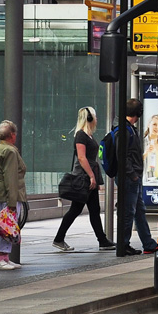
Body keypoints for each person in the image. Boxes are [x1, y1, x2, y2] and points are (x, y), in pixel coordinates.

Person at [52, 106, 114, 252]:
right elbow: (81, 157)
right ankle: (59, 239)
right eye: (95, 116)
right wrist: (92, 176)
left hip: (88, 178)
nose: (97, 119)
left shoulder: (89, 135)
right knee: (77, 209)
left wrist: (95, 178)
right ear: (89, 119)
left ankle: (102, 240)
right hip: (83, 178)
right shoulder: (81, 135)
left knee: (91, 209)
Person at [115, 98, 157, 257]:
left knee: (139, 211)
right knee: (129, 212)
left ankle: (148, 243)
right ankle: (124, 244)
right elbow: (123, 156)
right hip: (129, 178)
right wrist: (132, 175)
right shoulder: (125, 131)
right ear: (137, 114)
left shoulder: (128, 129)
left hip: (133, 178)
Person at [0, 120, 28, 270]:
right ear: (12, 135)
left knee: (6, 226)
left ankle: (5, 257)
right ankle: (0, 258)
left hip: (2, 192)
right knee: (7, 226)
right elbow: (11, 176)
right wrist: (12, 201)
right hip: (10, 195)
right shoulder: (10, 151)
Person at [142, 114, 158, 187]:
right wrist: (146, 153)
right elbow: (136, 162)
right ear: (148, 125)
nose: (157, 128)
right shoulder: (142, 142)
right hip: (146, 182)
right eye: (154, 124)